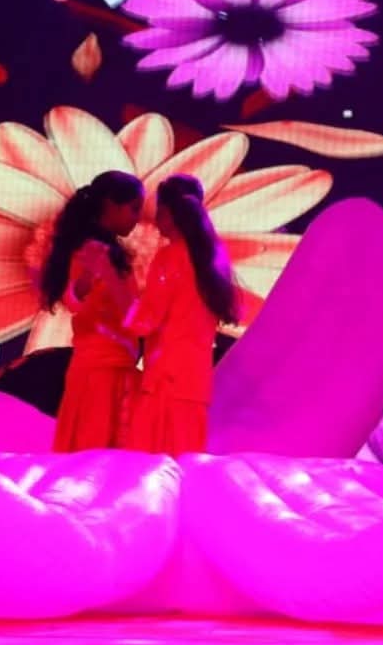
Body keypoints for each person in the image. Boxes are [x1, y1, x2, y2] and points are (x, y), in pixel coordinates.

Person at [91, 174, 239, 456]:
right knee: (185, 467)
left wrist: (112, 280)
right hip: (194, 385)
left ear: (168, 213)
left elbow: (144, 323)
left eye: (157, 210)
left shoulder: (170, 258)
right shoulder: (213, 257)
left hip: (165, 384)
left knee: (149, 470)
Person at [39, 171, 144, 452]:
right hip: (101, 371)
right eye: (134, 208)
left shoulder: (104, 252)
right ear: (111, 205)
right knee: (96, 455)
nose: (137, 218)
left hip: (108, 367)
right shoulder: (94, 252)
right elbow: (79, 300)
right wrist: (95, 277)